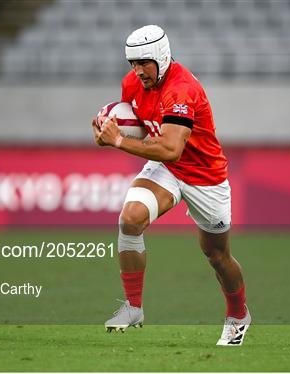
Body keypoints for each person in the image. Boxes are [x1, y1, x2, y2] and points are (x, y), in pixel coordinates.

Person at [91, 25, 250, 346]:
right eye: (132, 63)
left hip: (205, 176)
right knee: (130, 219)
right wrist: (104, 125)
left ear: (162, 57)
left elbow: (170, 147)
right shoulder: (132, 84)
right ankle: (133, 306)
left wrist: (118, 139)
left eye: (144, 63)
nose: (137, 71)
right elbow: (136, 126)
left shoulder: (182, 89)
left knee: (217, 255)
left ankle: (238, 315)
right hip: (167, 169)